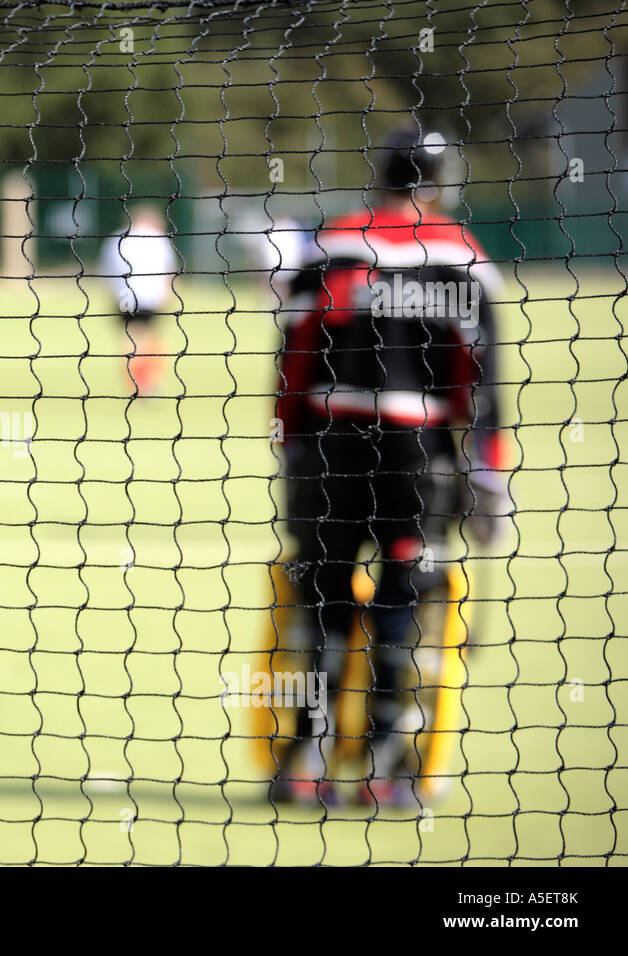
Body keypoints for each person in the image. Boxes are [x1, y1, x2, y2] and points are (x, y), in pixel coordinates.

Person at [270, 127, 511, 807]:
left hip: (328, 447)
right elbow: (483, 384)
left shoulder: (332, 243)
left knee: (322, 597)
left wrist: (288, 440)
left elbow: (293, 355)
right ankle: (385, 768)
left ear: (381, 173)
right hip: (417, 458)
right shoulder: (462, 256)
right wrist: (491, 483)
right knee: (404, 599)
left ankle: (305, 760)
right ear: (439, 180)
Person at [98, 204, 179, 394]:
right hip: (151, 297)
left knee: (131, 338)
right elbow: (169, 271)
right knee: (149, 337)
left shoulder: (117, 239)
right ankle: (147, 381)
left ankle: (137, 383)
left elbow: (107, 271)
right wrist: (168, 295)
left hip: (124, 296)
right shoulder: (158, 239)